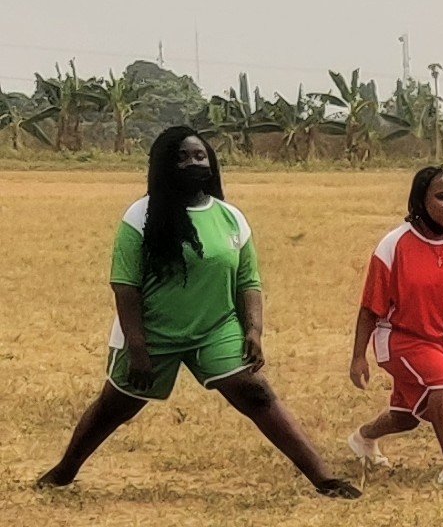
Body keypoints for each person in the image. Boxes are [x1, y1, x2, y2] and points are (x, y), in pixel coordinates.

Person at [37, 126, 359, 498]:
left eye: (199, 156)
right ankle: (64, 471)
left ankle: (324, 479)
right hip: (152, 334)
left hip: (216, 328)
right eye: (182, 158)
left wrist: (253, 330)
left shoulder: (230, 217)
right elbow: (125, 286)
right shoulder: (139, 216)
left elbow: (248, 281)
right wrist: (138, 348)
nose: (193, 163)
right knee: (115, 408)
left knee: (257, 395)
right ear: (163, 166)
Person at [347, 166, 443, 487]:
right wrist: (359, 356)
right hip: (397, 339)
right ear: (420, 201)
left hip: (441, 346)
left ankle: (363, 439)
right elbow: (370, 308)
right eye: (441, 197)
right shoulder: (393, 245)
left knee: (407, 416)